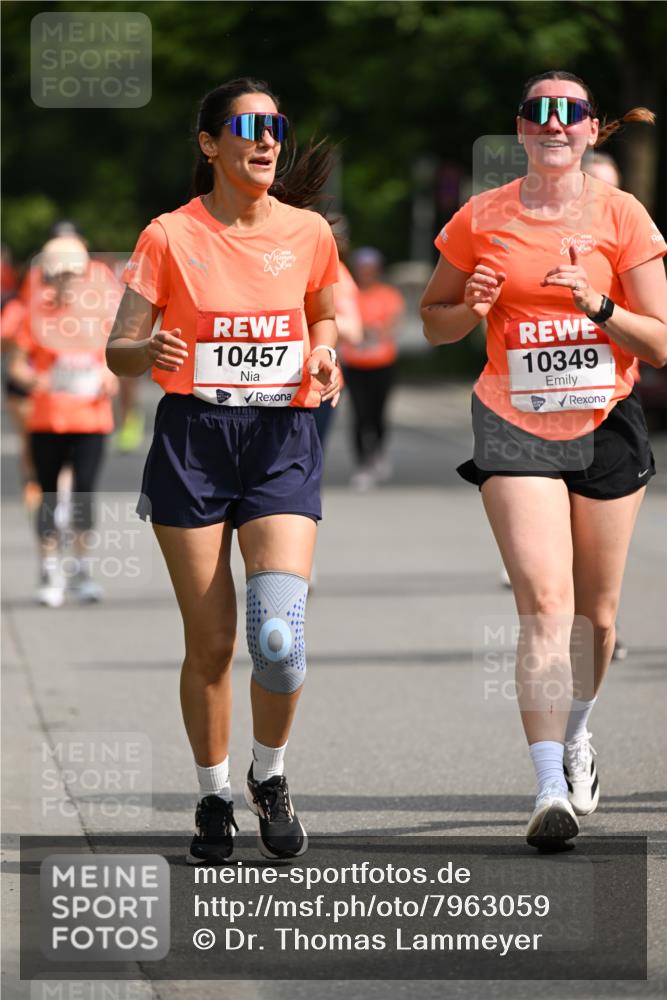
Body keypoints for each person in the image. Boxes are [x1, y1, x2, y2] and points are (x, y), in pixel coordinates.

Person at [421, 71, 667, 850]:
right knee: (546, 606)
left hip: (604, 421)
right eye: (539, 113)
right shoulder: (479, 217)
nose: (553, 125)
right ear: (519, 130)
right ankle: (545, 786)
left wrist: (594, 306)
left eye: (569, 115)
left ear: (592, 130)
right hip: (511, 421)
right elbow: (433, 324)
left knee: (595, 618)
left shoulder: (622, 215)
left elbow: (658, 343)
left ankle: (577, 737)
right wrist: (474, 306)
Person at [106, 78, 340, 864]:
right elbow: (119, 347)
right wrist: (150, 351)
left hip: (281, 439)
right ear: (210, 144)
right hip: (195, 441)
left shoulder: (308, 231)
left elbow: (323, 310)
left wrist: (325, 349)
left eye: (276, 126)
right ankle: (211, 797)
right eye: (248, 126)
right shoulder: (170, 234)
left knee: (279, 637)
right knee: (209, 644)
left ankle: (268, 776)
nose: (267, 139)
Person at [10, 236, 120, 606]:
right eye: (62, 274)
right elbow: (16, 366)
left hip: (91, 418)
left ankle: (81, 569)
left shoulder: (98, 311)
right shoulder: (36, 313)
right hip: (47, 419)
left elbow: (115, 357)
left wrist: (110, 375)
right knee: (47, 495)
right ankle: (49, 568)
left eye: (76, 274)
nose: (70, 281)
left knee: (85, 494)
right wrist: (34, 379)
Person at [339, 247, 404, 490]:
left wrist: (373, 331)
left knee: (378, 416)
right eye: (362, 268)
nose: (366, 272)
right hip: (355, 365)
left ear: (378, 270)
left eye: (371, 268)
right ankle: (362, 465)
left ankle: (377, 452)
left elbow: (392, 323)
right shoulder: (350, 294)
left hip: (382, 364)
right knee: (358, 415)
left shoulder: (388, 294)